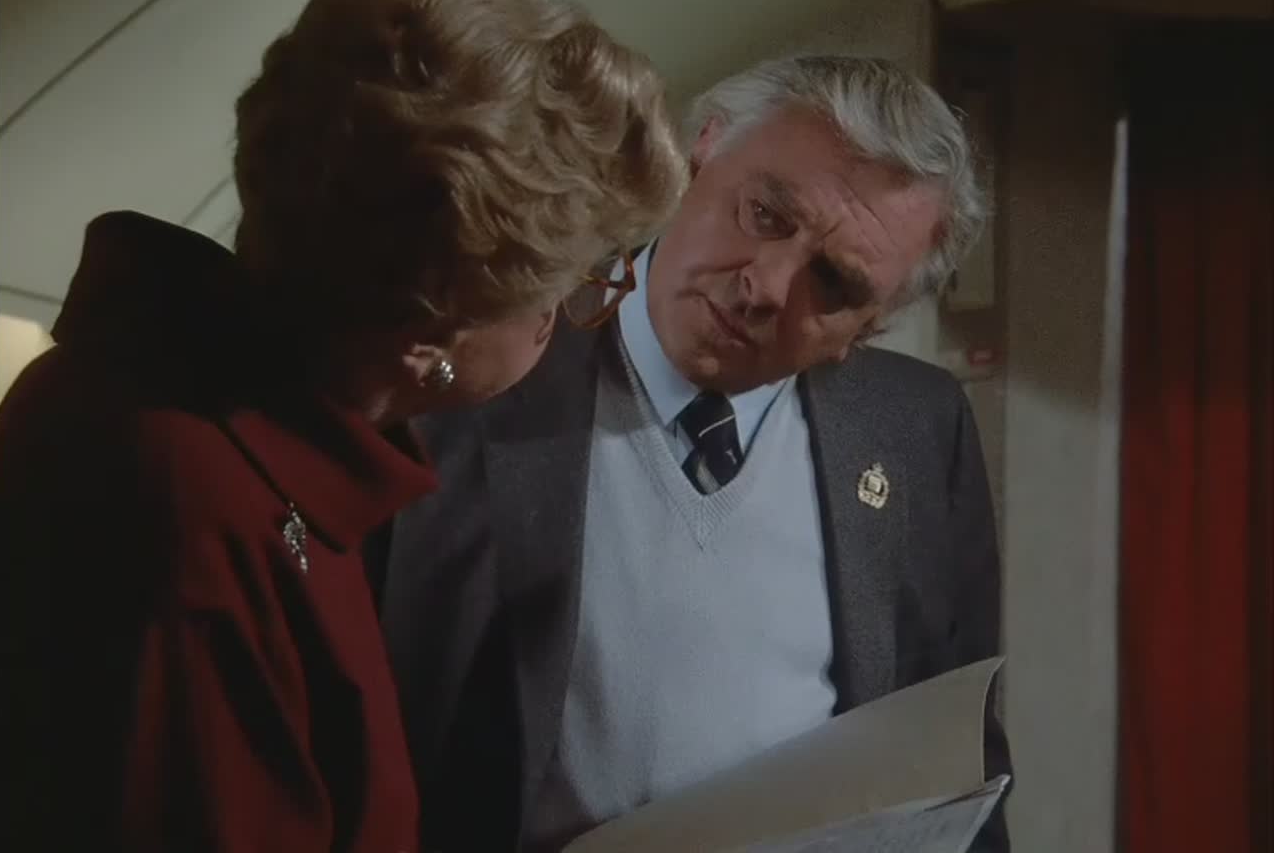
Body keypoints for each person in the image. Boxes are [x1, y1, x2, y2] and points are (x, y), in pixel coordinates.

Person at [0, 0, 684, 853]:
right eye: (569, 289)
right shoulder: (189, 509)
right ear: (431, 333)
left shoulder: (185, 412)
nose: (563, 322)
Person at [378, 54, 1013, 852]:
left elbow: (952, 761)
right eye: (766, 214)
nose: (766, 286)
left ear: (869, 328)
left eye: (835, 283)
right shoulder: (488, 358)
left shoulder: (915, 426)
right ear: (700, 150)